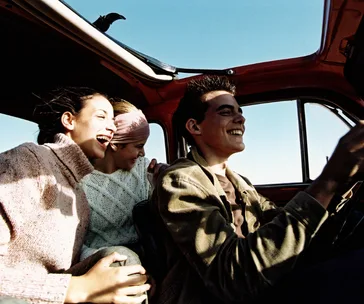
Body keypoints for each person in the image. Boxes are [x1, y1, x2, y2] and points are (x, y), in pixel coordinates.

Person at [150, 75, 364, 304]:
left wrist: (341, 185)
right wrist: (327, 181)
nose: (240, 118)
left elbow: (280, 225)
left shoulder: (241, 182)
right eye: (226, 112)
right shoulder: (180, 181)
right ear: (194, 126)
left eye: (239, 111)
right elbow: (232, 278)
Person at [0, 87, 150, 304]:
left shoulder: (77, 194)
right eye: (101, 116)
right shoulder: (28, 162)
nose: (110, 126)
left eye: (112, 120)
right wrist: (75, 288)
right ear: (69, 121)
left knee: (120, 259)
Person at [80, 99, 166, 262]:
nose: (143, 152)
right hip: (105, 263)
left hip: (149, 256)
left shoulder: (143, 169)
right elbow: (76, 246)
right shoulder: (81, 182)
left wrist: (160, 187)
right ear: (115, 144)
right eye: (138, 145)